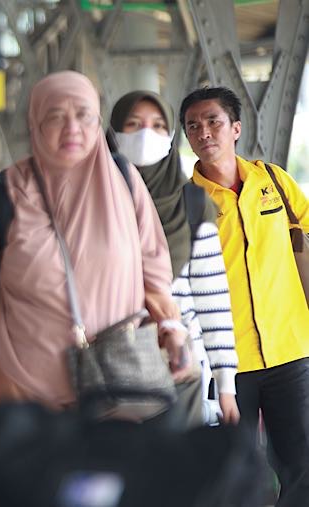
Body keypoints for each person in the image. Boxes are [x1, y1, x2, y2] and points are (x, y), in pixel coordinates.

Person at [0, 72, 189, 436]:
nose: (72, 127)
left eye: (84, 115)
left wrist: (170, 326)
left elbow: (152, 267)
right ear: (36, 123)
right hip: (25, 393)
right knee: (36, 491)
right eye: (56, 116)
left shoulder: (123, 182)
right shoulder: (0, 197)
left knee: (112, 488)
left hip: (115, 385)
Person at [182, 86, 309, 505]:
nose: (204, 132)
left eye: (213, 121)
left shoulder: (273, 181)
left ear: (236, 128)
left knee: (302, 465)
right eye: (193, 126)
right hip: (227, 364)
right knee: (230, 469)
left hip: (292, 350)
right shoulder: (186, 202)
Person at [108, 91, 240, 427]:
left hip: (179, 367)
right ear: (113, 134)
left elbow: (212, 300)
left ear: (169, 137)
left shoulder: (193, 204)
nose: (144, 135)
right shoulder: (92, 203)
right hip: (107, 365)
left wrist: (226, 385)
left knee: (181, 473)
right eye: (133, 124)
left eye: (156, 125)